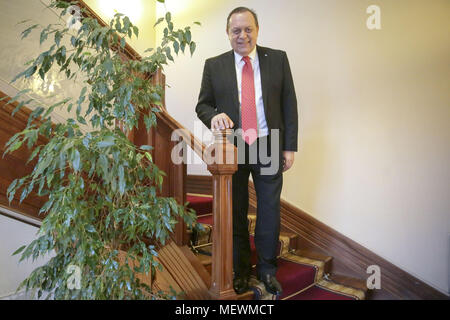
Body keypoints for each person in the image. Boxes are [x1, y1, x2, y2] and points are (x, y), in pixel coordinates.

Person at [195, 7, 298, 296]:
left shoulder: (277, 59)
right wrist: (213, 116)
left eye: (248, 29)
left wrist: (289, 146)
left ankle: (267, 269)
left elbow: (289, 103)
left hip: (268, 143)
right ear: (228, 34)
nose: (243, 35)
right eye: (236, 30)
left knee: (269, 209)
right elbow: (202, 105)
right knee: (236, 210)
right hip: (234, 147)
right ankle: (240, 271)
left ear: (257, 29)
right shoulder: (214, 65)